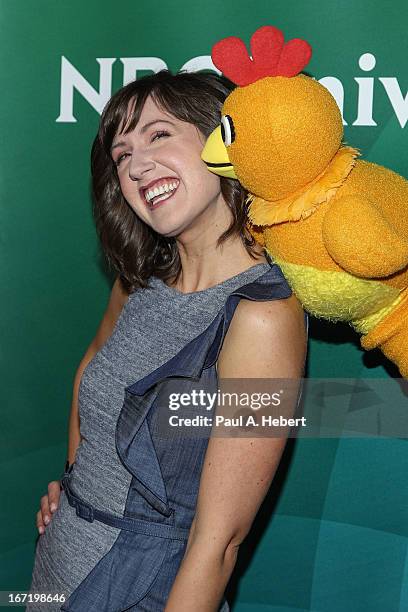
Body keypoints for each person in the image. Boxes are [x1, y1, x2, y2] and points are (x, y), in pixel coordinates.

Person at [29, 69, 307, 611]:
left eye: (159, 135)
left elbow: (218, 544)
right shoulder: (138, 278)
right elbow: (92, 366)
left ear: (222, 142)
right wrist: (78, 485)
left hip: (149, 587)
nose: (136, 166)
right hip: (59, 562)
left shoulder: (264, 318)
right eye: (122, 154)